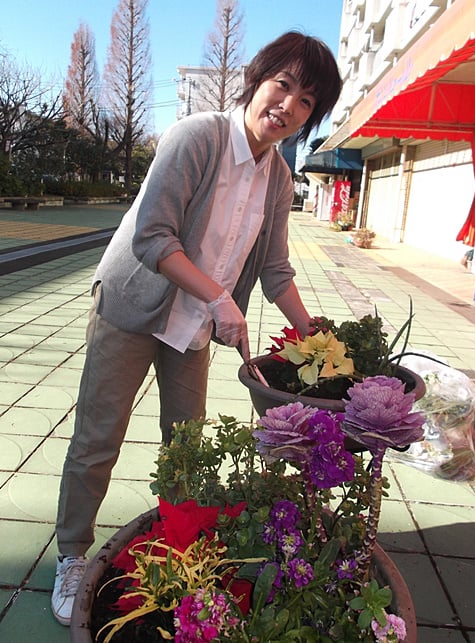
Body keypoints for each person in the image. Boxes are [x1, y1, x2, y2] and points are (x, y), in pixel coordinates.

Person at [51, 30, 342, 625]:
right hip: (134, 306)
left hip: (195, 326)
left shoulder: (280, 179)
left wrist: (319, 338)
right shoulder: (196, 137)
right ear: (256, 81)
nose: (288, 106)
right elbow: (152, 238)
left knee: (185, 445)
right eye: (282, 85)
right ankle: (72, 556)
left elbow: (278, 271)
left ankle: (179, 548)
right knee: (98, 436)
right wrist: (218, 297)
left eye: (307, 101)